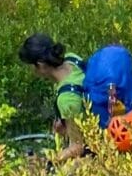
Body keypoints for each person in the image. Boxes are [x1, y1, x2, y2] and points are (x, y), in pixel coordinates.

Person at [18, 32, 90, 161]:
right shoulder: (72, 59)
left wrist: (48, 160)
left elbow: (78, 147)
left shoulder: (66, 99)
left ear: (40, 65)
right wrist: (67, 126)